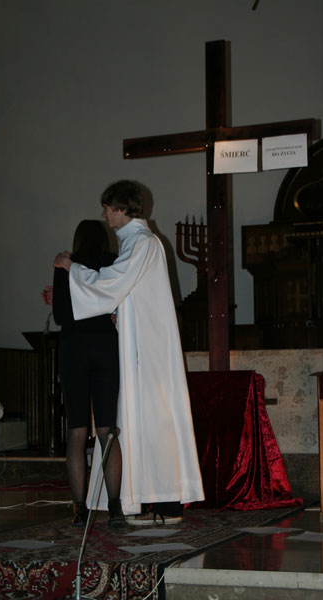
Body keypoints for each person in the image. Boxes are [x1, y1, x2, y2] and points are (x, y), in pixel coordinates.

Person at [54, 180, 204, 523]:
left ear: (121, 209)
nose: (104, 215)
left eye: (107, 208)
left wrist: (71, 268)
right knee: (140, 424)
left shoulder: (142, 242)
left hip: (147, 350)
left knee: (155, 422)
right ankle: (145, 501)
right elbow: (124, 292)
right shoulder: (136, 242)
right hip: (140, 343)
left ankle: (166, 504)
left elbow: (110, 284)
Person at [52, 219, 126, 529]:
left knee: (77, 431)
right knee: (108, 430)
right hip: (106, 348)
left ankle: (80, 510)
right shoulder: (113, 263)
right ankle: (115, 509)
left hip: (74, 350)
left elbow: (60, 315)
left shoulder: (66, 262)